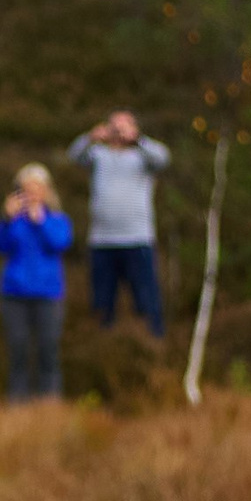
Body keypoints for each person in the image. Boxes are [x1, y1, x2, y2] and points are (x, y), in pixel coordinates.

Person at [67, 109, 171, 336]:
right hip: (102, 242)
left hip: (138, 240)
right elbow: (73, 156)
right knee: (102, 306)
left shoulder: (143, 156)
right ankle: (105, 352)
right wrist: (90, 137)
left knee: (147, 302)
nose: (118, 131)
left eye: (124, 126)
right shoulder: (97, 155)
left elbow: (163, 158)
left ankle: (154, 348)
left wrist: (137, 139)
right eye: (114, 126)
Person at [0, 164, 75, 402]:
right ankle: (17, 401)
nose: (32, 195)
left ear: (47, 191)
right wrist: (5, 218)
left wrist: (42, 222)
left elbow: (61, 243)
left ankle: (50, 400)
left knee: (48, 348)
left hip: (48, 293)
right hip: (14, 293)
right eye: (26, 190)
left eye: (37, 189)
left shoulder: (57, 219)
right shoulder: (12, 220)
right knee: (18, 349)